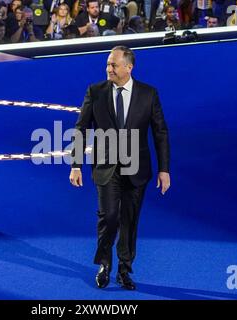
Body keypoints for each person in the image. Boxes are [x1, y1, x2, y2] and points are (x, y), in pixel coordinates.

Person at [69, 46, 171, 290]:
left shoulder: (148, 94)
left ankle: (125, 269)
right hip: (106, 166)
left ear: (129, 67)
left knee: (130, 220)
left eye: (113, 65)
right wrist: (76, 164)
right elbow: (81, 129)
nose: (109, 69)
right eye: (107, 64)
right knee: (109, 216)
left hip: (137, 168)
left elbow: (160, 133)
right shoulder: (95, 92)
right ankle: (104, 263)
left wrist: (164, 169)